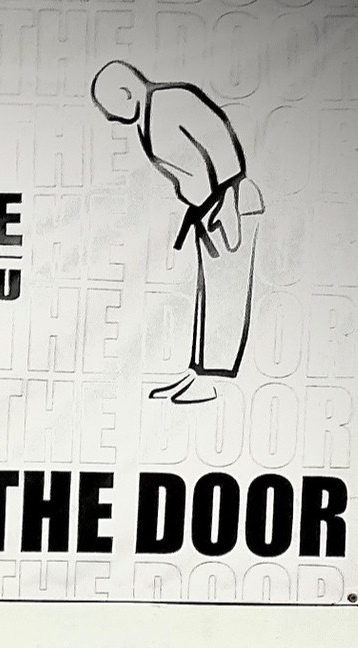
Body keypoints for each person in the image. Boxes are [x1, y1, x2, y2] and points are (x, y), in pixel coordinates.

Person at [91, 60, 264, 406]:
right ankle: (198, 370)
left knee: (226, 292)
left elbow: (222, 143)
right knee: (206, 291)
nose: (110, 118)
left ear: (127, 92)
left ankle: (216, 378)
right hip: (208, 209)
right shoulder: (147, 119)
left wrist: (228, 200)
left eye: (111, 109)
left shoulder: (175, 101)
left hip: (230, 203)